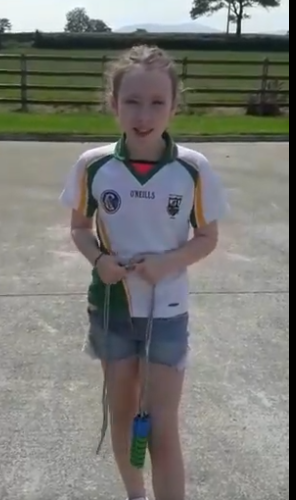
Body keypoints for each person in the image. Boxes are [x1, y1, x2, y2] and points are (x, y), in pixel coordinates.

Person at [59, 45, 228, 500]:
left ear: (175, 105)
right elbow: (78, 228)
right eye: (132, 101)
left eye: (157, 102)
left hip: (166, 312)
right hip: (112, 309)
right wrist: (100, 260)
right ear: (113, 104)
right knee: (123, 415)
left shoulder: (192, 170)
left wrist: (166, 263)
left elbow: (207, 238)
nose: (143, 114)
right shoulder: (94, 166)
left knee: (159, 425)